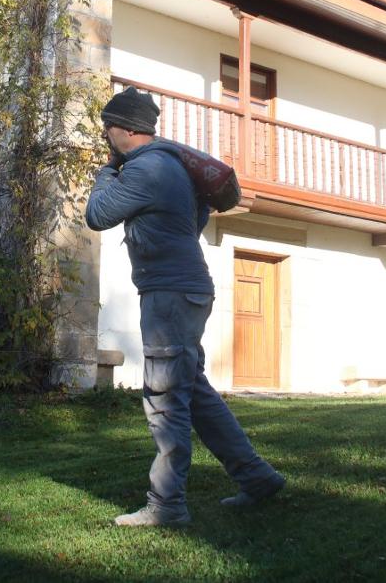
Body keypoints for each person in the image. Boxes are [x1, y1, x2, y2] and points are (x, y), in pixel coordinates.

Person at [85, 86, 285, 527]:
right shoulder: (172, 167)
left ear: (123, 129)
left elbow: (98, 214)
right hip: (188, 289)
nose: (106, 136)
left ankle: (167, 505)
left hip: (170, 295)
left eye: (107, 128)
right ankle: (257, 478)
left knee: (165, 397)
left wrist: (106, 170)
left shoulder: (146, 169)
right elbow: (192, 224)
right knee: (193, 392)